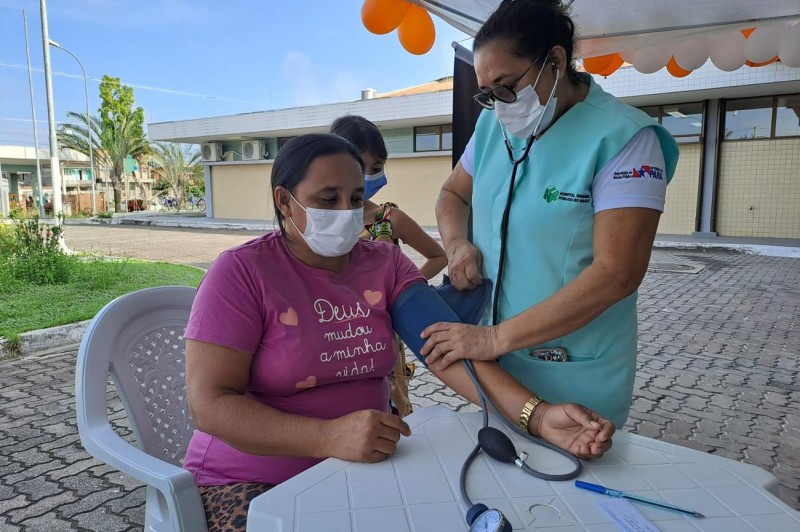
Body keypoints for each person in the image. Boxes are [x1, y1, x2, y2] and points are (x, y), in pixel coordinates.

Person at [184, 133, 614, 531]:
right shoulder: (242, 273)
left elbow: (447, 349)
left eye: (355, 199)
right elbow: (211, 405)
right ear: (284, 201)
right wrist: (327, 436)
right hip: (251, 482)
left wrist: (537, 416)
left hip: (363, 468)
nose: (345, 214)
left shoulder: (383, 264)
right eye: (326, 199)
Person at [421, 0, 680, 430]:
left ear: (555, 61)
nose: (500, 106)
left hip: (572, 372)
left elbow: (617, 274)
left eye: (506, 86)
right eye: (487, 94)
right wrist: (457, 243)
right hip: (494, 369)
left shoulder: (624, 138)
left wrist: (492, 339)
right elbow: (452, 195)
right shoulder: (494, 126)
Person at [331, 114, 447, 416]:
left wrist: (402, 291)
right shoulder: (315, 225)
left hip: (383, 332)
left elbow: (439, 256)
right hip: (331, 333)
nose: (368, 176)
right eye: (360, 166)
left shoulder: (388, 218)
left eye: (377, 168)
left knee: (390, 409)